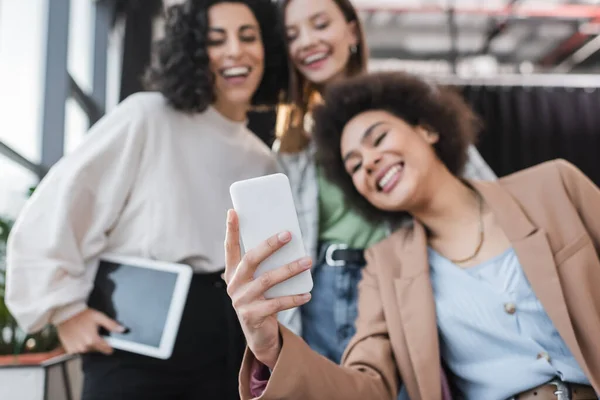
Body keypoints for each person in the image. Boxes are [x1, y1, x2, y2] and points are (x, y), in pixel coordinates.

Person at [224, 72, 600, 400]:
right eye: (354, 165)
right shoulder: (384, 267)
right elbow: (367, 387)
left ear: (428, 129)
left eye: (378, 138)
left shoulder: (554, 186)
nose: (368, 162)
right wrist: (271, 347)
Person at [5, 1, 287, 399]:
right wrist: (64, 312)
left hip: (228, 343)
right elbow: (58, 208)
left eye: (248, 36)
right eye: (215, 39)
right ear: (191, 50)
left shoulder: (262, 158)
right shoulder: (146, 117)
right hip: (137, 341)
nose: (235, 51)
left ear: (268, 49)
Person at [274, 0, 498, 364]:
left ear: (351, 30)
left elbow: (479, 187)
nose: (307, 41)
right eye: (292, 35)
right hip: (326, 291)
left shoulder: (406, 100)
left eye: (319, 24)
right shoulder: (293, 145)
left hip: (405, 275)